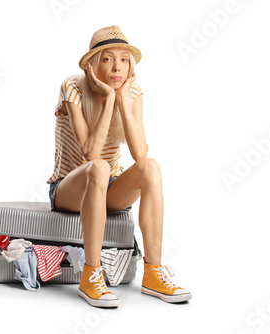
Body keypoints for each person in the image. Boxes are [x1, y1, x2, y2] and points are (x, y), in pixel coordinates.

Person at [47, 25, 191, 308]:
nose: (117, 67)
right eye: (108, 58)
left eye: (124, 59)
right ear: (93, 64)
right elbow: (90, 154)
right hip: (67, 189)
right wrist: (109, 98)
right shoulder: (72, 87)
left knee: (151, 167)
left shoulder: (133, 92)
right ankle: (91, 275)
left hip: (109, 189)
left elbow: (140, 154)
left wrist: (122, 101)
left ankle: (153, 273)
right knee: (99, 167)